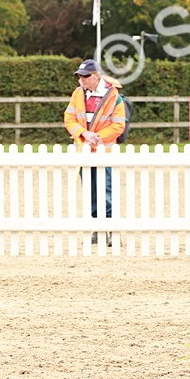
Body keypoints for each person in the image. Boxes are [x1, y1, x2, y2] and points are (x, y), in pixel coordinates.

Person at [63, 59, 127, 243]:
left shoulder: (114, 96)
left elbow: (118, 126)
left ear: (96, 76)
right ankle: (97, 230)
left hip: (104, 152)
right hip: (84, 150)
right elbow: (69, 118)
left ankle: (110, 230)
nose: (81, 80)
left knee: (105, 190)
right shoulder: (78, 93)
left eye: (85, 76)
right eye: (79, 77)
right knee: (90, 190)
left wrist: (97, 138)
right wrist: (84, 134)